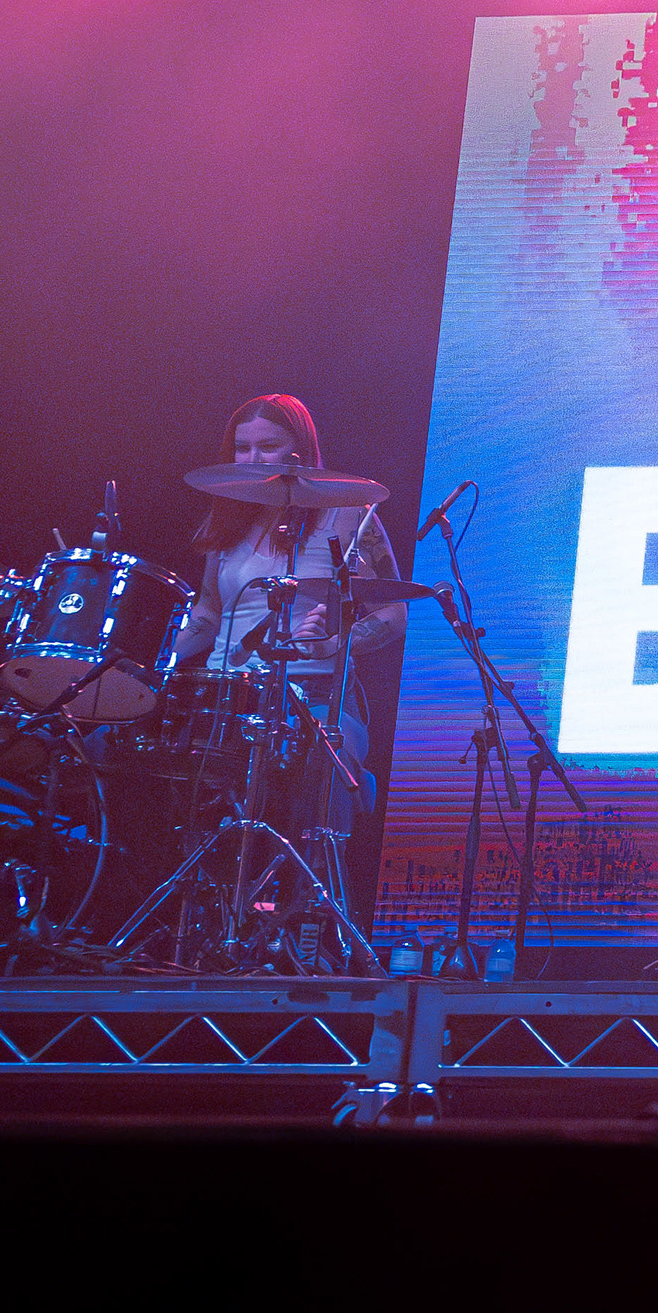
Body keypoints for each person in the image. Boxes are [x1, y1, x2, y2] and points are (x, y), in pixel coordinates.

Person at [168, 392, 400, 935]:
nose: (253, 459)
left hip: (313, 693)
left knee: (331, 752)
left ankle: (314, 924)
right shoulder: (225, 518)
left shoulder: (348, 514)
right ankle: (198, 924)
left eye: (268, 447)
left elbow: (393, 613)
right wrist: (150, 667)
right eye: (242, 447)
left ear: (301, 451)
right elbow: (207, 612)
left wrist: (332, 646)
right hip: (227, 690)